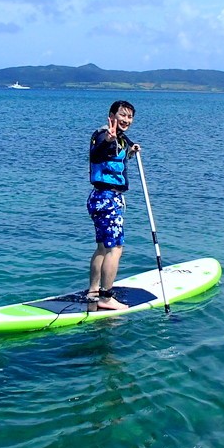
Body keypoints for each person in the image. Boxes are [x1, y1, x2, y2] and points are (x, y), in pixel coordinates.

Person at [87, 100, 140, 311]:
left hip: (101, 198)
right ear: (112, 115)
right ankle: (106, 297)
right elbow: (98, 153)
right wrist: (108, 140)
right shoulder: (103, 135)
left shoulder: (120, 139)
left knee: (102, 247)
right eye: (123, 115)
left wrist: (130, 152)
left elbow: (112, 160)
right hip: (107, 199)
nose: (126, 120)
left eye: (130, 117)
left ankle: (93, 291)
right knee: (115, 248)